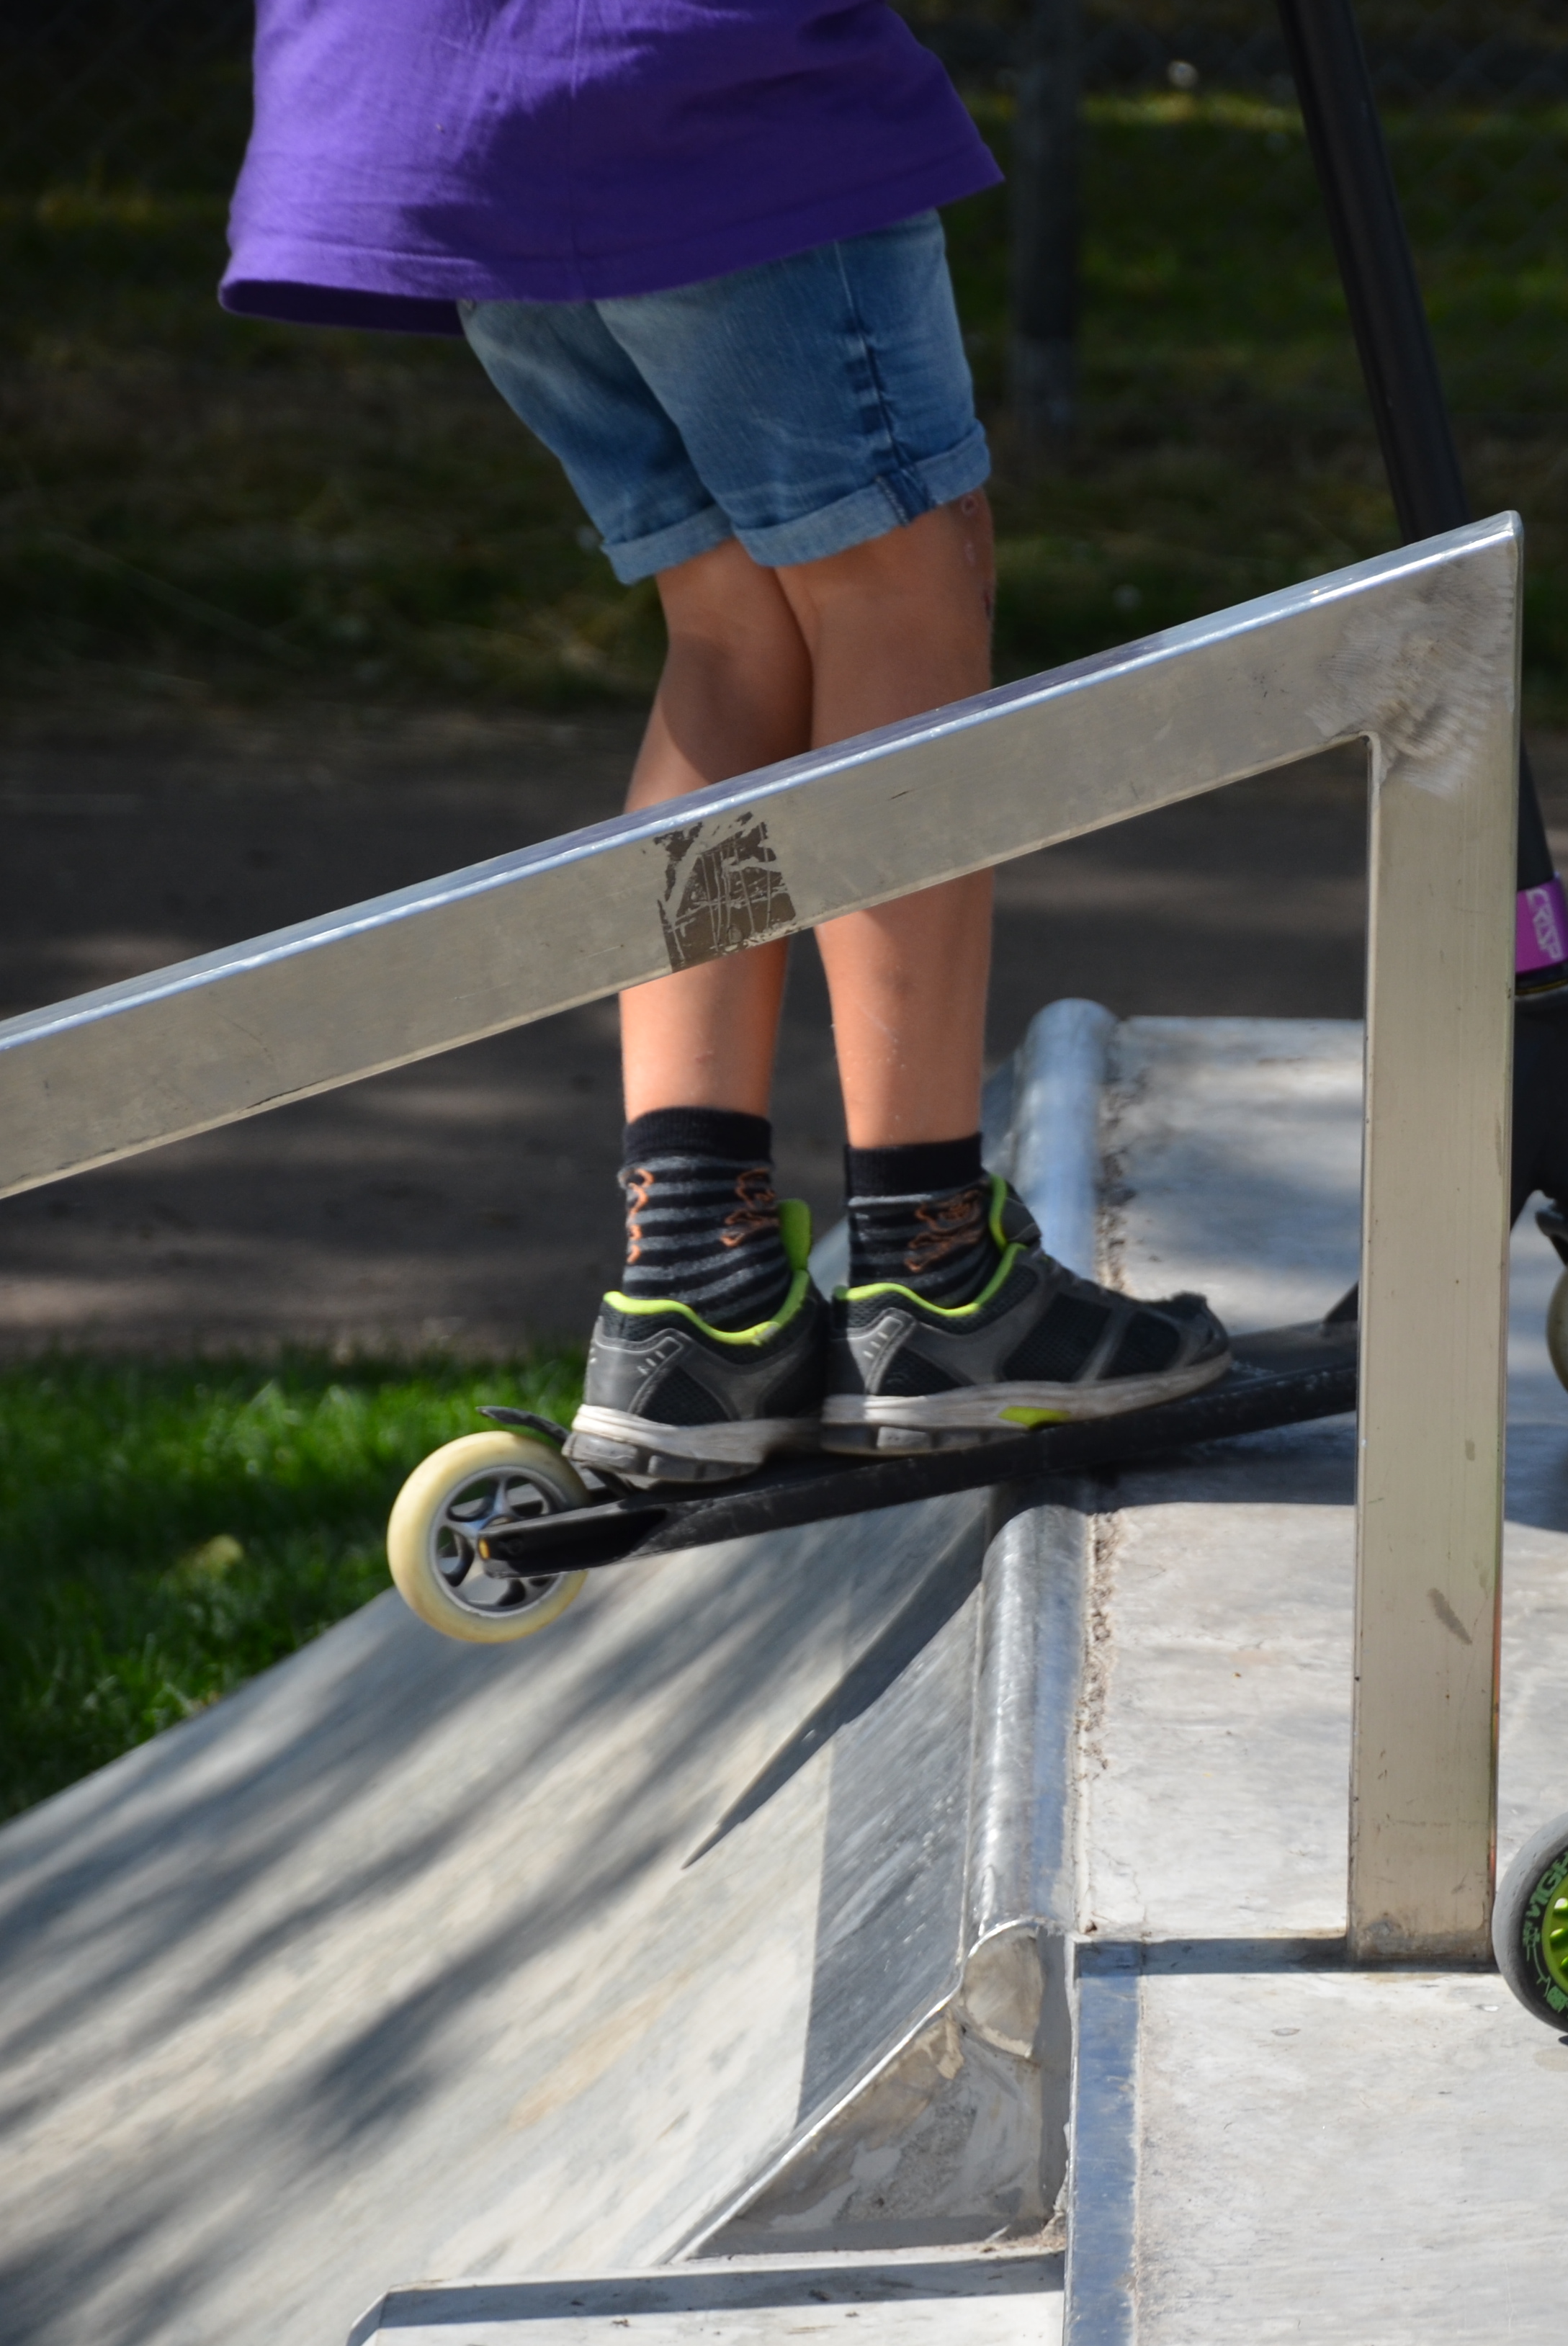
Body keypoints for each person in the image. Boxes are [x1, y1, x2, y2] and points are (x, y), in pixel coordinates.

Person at [223, 0, 1227, 1482]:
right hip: (677, 76)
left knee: (735, 618)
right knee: (904, 580)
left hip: (416, 85)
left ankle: (698, 1285)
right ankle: (936, 1271)